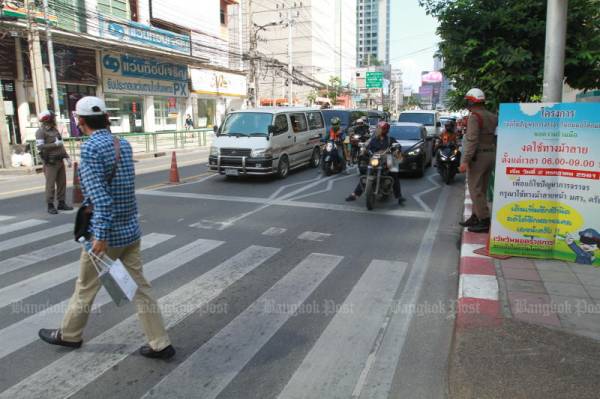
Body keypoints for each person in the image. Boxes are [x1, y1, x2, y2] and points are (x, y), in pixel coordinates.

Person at [38, 96, 175, 359]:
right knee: (140, 289)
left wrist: (99, 236)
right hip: (130, 231)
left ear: (80, 121)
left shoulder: (89, 149)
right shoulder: (121, 143)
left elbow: (101, 199)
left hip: (106, 236)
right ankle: (160, 343)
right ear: (105, 118)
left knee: (86, 287)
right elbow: (122, 189)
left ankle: (69, 335)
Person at [459, 88, 498, 233]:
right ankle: (475, 217)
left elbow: (472, 140)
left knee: (475, 189)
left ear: (471, 101)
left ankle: (484, 219)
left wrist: (465, 161)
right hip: (490, 154)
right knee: (482, 188)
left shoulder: (474, 117)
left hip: (479, 156)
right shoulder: (492, 116)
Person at [345, 121, 405, 205]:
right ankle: (354, 194)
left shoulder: (390, 140)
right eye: (378, 128)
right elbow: (367, 148)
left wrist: (396, 150)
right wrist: (364, 150)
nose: (377, 130)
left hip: (387, 160)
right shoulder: (373, 140)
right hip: (375, 161)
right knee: (366, 175)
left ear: (384, 130)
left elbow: (397, 147)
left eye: (379, 129)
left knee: (394, 175)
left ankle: (399, 197)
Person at [36, 111, 73, 214]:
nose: (54, 119)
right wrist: (54, 144)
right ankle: (50, 205)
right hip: (50, 162)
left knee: (62, 183)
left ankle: (61, 203)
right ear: (48, 119)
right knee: (50, 185)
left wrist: (67, 157)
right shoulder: (40, 132)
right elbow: (40, 146)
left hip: (59, 160)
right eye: (53, 118)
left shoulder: (55, 130)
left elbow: (61, 145)